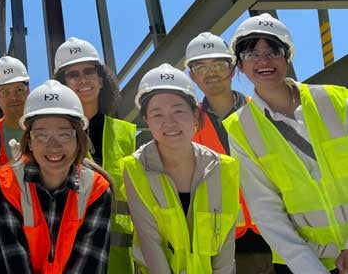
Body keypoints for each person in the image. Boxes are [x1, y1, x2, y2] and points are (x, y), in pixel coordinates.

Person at [223, 13, 348, 274]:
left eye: (273, 51)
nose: (264, 61)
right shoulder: (240, 128)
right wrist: (311, 270)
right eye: (251, 54)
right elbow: (266, 210)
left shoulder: (334, 99)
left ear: (287, 56)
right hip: (306, 263)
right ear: (240, 65)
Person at [123, 63, 238, 274]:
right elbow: (151, 245)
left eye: (178, 111)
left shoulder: (223, 168)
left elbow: (225, 245)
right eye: (157, 115)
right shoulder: (134, 168)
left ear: (195, 115)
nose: (170, 123)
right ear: (147, 120)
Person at [0, 80, 113, 273]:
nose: (53, 145)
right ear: (29, 142)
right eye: (41, 135)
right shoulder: (6, 186)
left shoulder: (97, 190)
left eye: (64, 134)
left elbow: (89, 265)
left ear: (78, 140)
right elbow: (12, 264)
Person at [185, 32, 273, 273]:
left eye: (218, 65)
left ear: (233, 69)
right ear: (192, 75)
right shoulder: (189, 126)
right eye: (201, 67)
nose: (210, 72)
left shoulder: (263, 112)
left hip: (277, 230)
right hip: (225, 242)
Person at [53, 37, 136, 273]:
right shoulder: (52, 137)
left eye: (89, 71)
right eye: (73, 74)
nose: (83, 80)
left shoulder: (126, 134)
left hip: (119, 257)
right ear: (63, 85)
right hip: (70, 254)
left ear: (101, 80)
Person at [0, 56, 30, 169]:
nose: (13, 97)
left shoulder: (46, 127)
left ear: (28, 91)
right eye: (5, 92)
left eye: (19, 89)